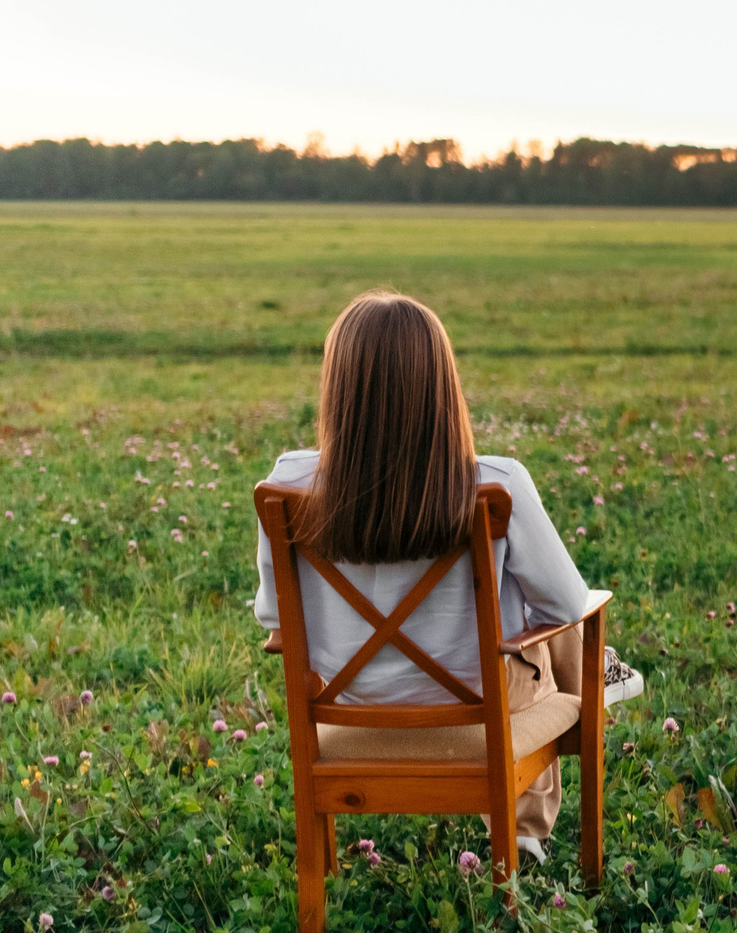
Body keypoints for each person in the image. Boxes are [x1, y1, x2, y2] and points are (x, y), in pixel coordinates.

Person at [252, 290, 637, 861]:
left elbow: (272, 616)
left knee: (534, 624)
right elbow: (568, 605)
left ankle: (592, 691)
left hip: (348, 698)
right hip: (475, 697)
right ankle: (527, 828)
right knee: (551, 635)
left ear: (338, 390)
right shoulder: (494, 481)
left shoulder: (288, 482)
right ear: (441, 387)